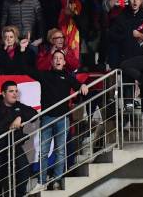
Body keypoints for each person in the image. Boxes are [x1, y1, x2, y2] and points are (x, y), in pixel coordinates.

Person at [30, 50, 88, 190]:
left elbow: (79, 87)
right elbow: (27, 70)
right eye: (55, 58)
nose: (57, 60)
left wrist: (83, 86)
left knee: (60, 151)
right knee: (43, 152)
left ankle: (57, 180)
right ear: (51, 61)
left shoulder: (68, 76)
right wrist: (23, 51)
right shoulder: (45, 75)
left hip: (63, 118)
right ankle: (42, 181)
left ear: (64, 62)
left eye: (60, 58)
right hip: (47, 118)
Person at [0, 80, 36, 197]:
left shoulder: (18, 106)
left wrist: (20, 117)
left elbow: (34, 113)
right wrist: (10, 124)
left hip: (14, 145)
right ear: (3, 93)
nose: (15, 94)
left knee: (24, 170)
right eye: (11, 91)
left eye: (16, 91)